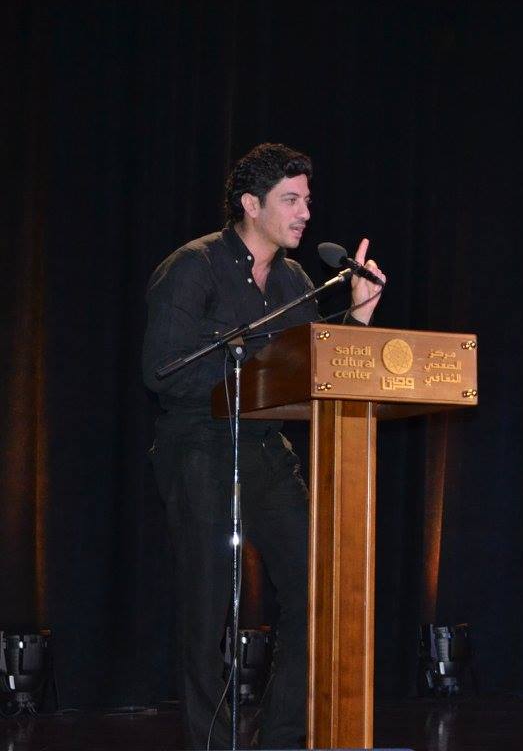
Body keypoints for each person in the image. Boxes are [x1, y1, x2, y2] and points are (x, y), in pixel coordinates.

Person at [141, 143, 383, 748]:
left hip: (267, 448)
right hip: (199, 443)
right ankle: (213, 743)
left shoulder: (296, 280)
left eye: (307, 200)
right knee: (209, 607)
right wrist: (248, 370)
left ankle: (281, 738)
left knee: (314, 588)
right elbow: (163, 370)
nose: (305, 213)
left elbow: (316, 366)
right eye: (291, 200)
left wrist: (358, 317)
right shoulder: (194, 266)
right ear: (252, 204)